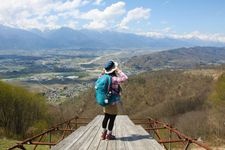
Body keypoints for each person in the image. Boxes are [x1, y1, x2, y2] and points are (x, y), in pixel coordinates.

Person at [100, 60, 128, 140]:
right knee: (112, 118)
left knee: (106, 117)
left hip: (105, 101)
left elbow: (98, 79)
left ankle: (103, 134)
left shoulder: (103, 77)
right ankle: (109, 135)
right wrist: (118, 70)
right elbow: (125, 78)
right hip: (113, 102)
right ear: (113, 69)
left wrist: (102, 72)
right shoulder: (114, 79)